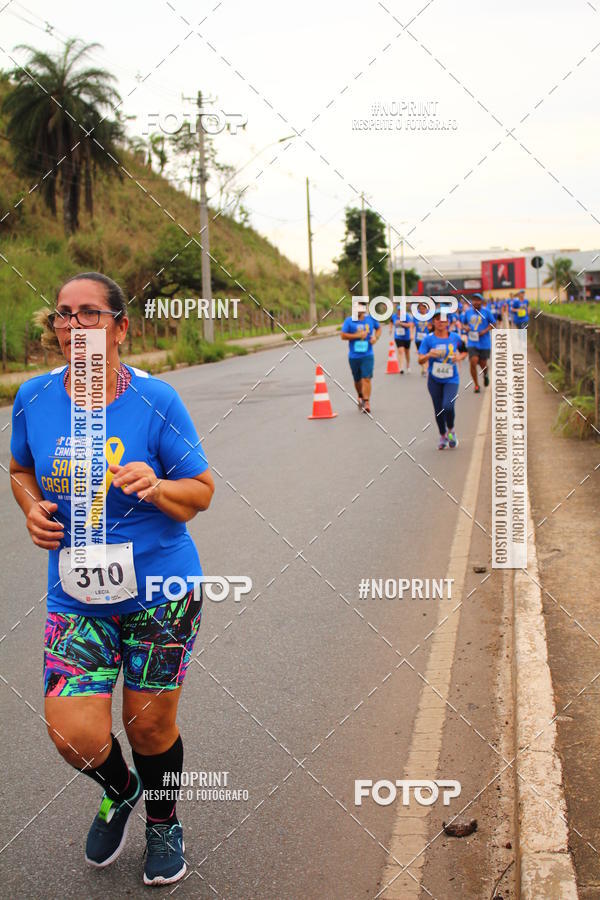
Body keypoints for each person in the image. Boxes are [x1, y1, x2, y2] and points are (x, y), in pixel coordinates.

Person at [9, 272, 215, 887]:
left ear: (120, 328)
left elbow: (201, 492)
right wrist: (30, 510)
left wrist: (157, 486)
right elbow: (20, 468)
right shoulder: (35, 398)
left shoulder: (157, 401)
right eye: (64, 315)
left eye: (90, 313)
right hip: (77, 596)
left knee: (149, 724)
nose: (74, 326)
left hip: (160, 593)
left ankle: (164, 820)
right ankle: (121, 790)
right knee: (73, 735)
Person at [418, 309, 468, 449]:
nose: (441, 321)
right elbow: (420, 360)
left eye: (444, 319)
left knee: (448, 406)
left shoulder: (455, 338)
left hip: (451, 379)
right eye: (438, 319)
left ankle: (451, 430)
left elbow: (464, 351)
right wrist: (429, 355)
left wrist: (459, 357)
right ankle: (443, 435)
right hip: (434, 380)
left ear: (448, 322)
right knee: (438, 409)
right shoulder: (428, 339)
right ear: (433, 322)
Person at [341, 301, 381, 413]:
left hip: (368, 354)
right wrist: (357, 335)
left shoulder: (370, 319)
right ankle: (360, 395)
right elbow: (343, 336)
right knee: (357, 379)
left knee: (366, 378)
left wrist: (375, 338)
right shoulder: (349, 321)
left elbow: (379, 328)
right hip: (354, 356)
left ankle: (366, 401)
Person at [460, 293, 495, 393]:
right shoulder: (467, 313)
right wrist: (466, 327)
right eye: (474, 300)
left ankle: (485, 374)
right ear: (471, 302)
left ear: (481, 301)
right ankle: (476, 385)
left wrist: (484, 331)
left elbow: (493, 323)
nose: (476, 302)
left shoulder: (487, 312)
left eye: (478, 300)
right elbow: (464, 324)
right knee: (473, 361)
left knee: (483, 363)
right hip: (472, 342)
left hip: (484, 342)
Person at [389, 302, 413, 373]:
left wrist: (401, 323)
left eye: (401, 310)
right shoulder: (394, 316)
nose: (400, 312)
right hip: (398, 337)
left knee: (407, 352)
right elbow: (391, 322)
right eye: (399, 310)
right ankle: (401, 367)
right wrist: (390, 329)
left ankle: (408, 365)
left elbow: (410, 325)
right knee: (400, 351)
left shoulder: (407, 316)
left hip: (406, 337)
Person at [412, 301, 431, 376]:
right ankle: (424, 367)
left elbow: (432, 326)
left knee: (426, 354)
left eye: (423, 308)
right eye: (420, 308)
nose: (422, 310)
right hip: (418, 339)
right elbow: (412, 325)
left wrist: (430, 327)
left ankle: (425, 369)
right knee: (420, 355)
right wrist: (411, 334)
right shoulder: (416, 316)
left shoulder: (430, 316)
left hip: (427, 339)